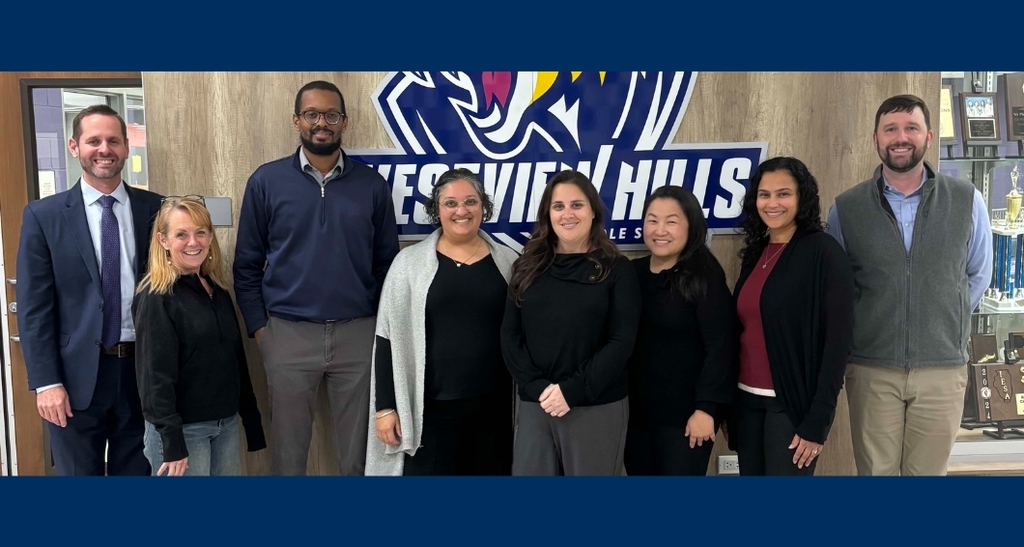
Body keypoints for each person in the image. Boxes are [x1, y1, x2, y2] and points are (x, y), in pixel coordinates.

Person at [234, 80, 400, 475]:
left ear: (345, 122)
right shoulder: (266, 181)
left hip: (358, 333)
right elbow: (246, 264)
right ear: (296, 120)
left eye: (331, 115)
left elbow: (387, 265)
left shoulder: (372, 185)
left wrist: (379, 328)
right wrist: (261, 329)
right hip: (288, 334)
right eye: (311, 114)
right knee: (289, 455)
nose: (321, 123)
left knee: (359, 456)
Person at [827, 94, 993, 476]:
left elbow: (978, 275)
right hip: (871, 369)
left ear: (929, 137)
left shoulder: (967, 201)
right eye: (891, 129)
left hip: (942, 370)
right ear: (876, 139)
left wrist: (941, 317)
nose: (900, 137)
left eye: (911, 128)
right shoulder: (846, 208)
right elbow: (839, 287)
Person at [16, 105, 161, 475]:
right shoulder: (43, 216)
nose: (104, 149)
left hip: (142, 373)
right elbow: (34, 310)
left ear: (126, 147)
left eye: (113, 140)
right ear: (74, 147)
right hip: (73, 379)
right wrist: (46, 383)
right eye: (93, 141)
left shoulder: (156, 209)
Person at [365, 169, 519, 475]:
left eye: (470, 201)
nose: (461, 210)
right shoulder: (408, 264)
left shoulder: (509, 262)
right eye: (451, 203)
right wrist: (385, 408)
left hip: (493, 410)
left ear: (483, 207)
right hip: (430, 412)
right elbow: (386, 337)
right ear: (437, 210)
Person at [501, 170, 641, 476]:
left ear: (593, 211)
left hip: (595, 404)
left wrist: (573, 389)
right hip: (536, 404)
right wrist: (537, 388)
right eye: (558, 206)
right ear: (547, 214)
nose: (567, 214)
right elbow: (510, 337)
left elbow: (621, 341)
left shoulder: (617, 269)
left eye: (577, 205)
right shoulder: (526, 267)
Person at [729, 156, 854, 476]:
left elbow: (838, 343)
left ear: (802, 198)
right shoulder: (756, 252)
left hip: (791, 407)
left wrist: (819, 420)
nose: (772, 203)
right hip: (747, 403)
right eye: (764, 194)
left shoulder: (824, 253)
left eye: (783, 194)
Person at [134, 196, 267, 476]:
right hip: (183, 432)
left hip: (225, 425)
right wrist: (172, 442)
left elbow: (236, 360)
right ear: (163, 240)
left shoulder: (217, 291)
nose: (193, 242)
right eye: (181, 234)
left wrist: (250, 419)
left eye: (200, 232)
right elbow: (154, 377)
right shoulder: (156, 296)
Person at [624, 186, 738, 476]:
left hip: (687, 419)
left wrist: (706, 409)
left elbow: (722, 347)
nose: (660, 230)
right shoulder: (631, 274)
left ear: (691, 226)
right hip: (635, 416)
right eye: (652, 220)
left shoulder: (704, 276)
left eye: (671, 221)